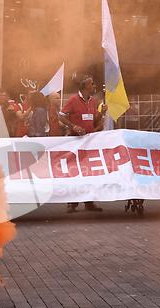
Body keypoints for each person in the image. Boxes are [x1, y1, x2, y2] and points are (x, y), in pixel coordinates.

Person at [58, 75, 108, 213]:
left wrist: (102, 113)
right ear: (86, 85)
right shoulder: (73, 99)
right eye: (92, 84)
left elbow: (93, 119)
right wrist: (74, 126)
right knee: (75, 172)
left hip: (89, 141)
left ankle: (89, 202)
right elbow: (60, 115)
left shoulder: (92, 101)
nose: (94, 86)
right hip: (76, 141)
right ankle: (72, 203)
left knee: (88, 172)